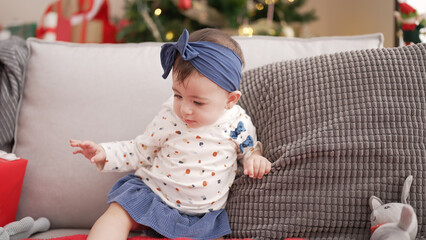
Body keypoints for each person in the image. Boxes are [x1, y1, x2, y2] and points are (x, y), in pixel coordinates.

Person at [70, 28, 271, 240]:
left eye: (198, 102)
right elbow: (141, 150)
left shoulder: (237, 124)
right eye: (177, 95)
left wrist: (254, 158)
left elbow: (249, 149)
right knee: (116, 214)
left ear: (230, 100)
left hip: (203, 217)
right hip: (153, 195)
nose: (184, 109)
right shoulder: (169, 117)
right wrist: (105, 152)